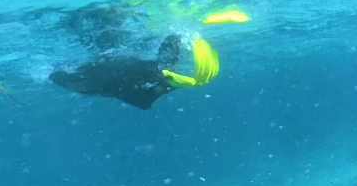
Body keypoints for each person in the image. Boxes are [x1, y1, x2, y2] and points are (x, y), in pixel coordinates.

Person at [51, 8, 241, 109]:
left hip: (115, 71)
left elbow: (62, 78)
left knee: (104, 43)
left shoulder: (104, 80)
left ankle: (84, 19)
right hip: (120, 73)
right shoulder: (151, 75)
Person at [50, 34, 185, 110]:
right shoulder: (157, 73)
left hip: (109, 74)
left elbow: (57, 77)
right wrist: (176, 37)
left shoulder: (95, 83)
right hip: (115, 74)